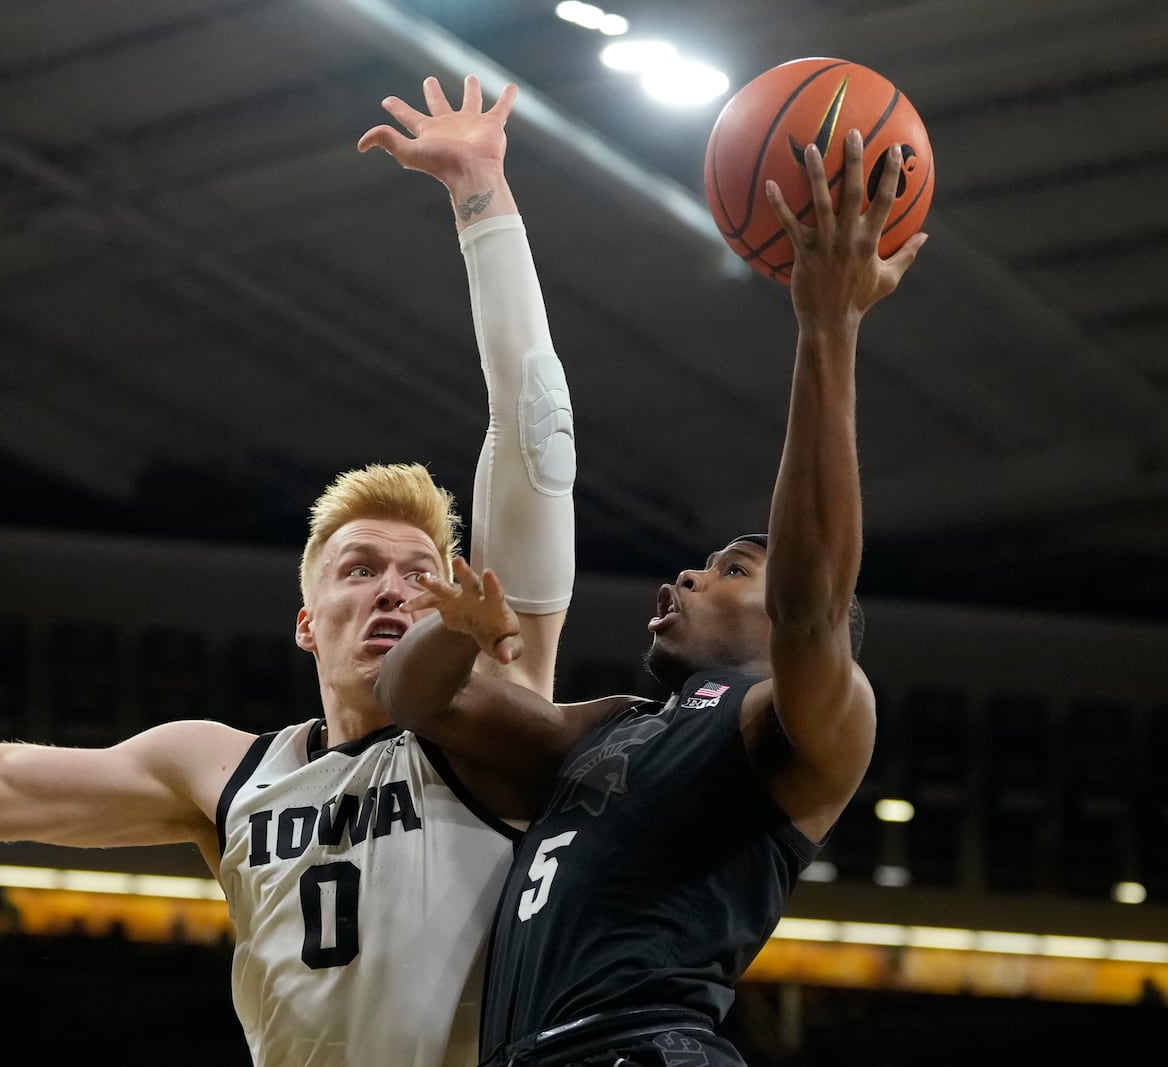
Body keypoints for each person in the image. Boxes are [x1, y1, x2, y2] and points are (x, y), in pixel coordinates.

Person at [0, 75, 573, 1067]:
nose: (394, 586)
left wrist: (481, 197)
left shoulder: (499, 713)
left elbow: (534, 434)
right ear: (306, 622)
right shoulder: (219, 768)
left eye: (417, 569)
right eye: (357, 568)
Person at [376, 128, 926, 1067]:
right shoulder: (611, 730)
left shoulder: (793, 730)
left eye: (729, 570)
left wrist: (828, 326)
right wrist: (454, 632)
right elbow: (412, 701)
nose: (687, 576)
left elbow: (812, 606)